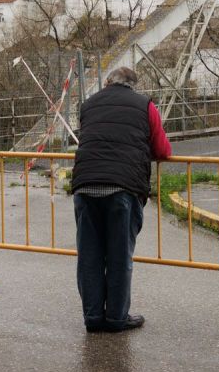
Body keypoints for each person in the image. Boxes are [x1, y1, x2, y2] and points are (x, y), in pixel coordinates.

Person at [71, 66, 172, 333]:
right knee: (118, 256)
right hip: (122, 187)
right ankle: (116, 318)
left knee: (89, 256)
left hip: (85, 185)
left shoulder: (88, 105)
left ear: (107, 83)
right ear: (133, 85)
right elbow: (163, 150)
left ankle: (93, 317)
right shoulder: (145, 106)